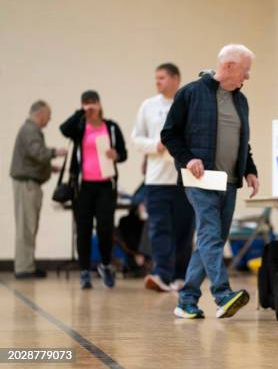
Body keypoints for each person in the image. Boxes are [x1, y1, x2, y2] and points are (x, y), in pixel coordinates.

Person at [161, 44, 260, 319]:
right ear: (228, 66)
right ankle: (222, 294)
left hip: (228, 182)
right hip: (200, 179)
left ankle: (187, 300)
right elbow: (169, 134)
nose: (248, 76)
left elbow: (244, 142)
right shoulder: (191, 94)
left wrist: (249, 169)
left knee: (211, 240)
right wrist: (187, 158)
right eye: (246, 69)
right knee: (209, 235)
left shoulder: (241, 101)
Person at [132, 63, 194, 292]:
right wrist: (155, 146)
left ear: (176, 79)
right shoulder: (148, 106)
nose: (157, 82)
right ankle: (161, 274)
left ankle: (180, 276)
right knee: (159, 228)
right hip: (156, 180)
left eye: (162, 78)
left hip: (183, 179)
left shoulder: (187, 103)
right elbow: (136, 139)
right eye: (156, 78)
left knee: (184, 230)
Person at [60, 90, 128, 289]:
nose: (90, 106)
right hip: (83, 187)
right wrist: (79, 113)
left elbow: (124, 153)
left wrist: (117, 154)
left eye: (92, 102)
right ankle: (84, 272)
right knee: (83, 230)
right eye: (86, 103)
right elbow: (64, 129)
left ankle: (106, 265)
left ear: (99, 104)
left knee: (105, 229)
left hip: (106, 186)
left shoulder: (112, 127)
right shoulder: (79, 127)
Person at [10, 101, 67, 279]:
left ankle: (27, 265)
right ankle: (24, 268)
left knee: (28, 226)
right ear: (41, 114)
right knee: (26, 226)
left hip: (28, 183)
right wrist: (55, 152)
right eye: (48, 117)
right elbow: (36, 152)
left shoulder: (29, 130)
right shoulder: (30, 130)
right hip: (27, 184)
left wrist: (49, 168)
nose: (48, 121)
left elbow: (30, 158)